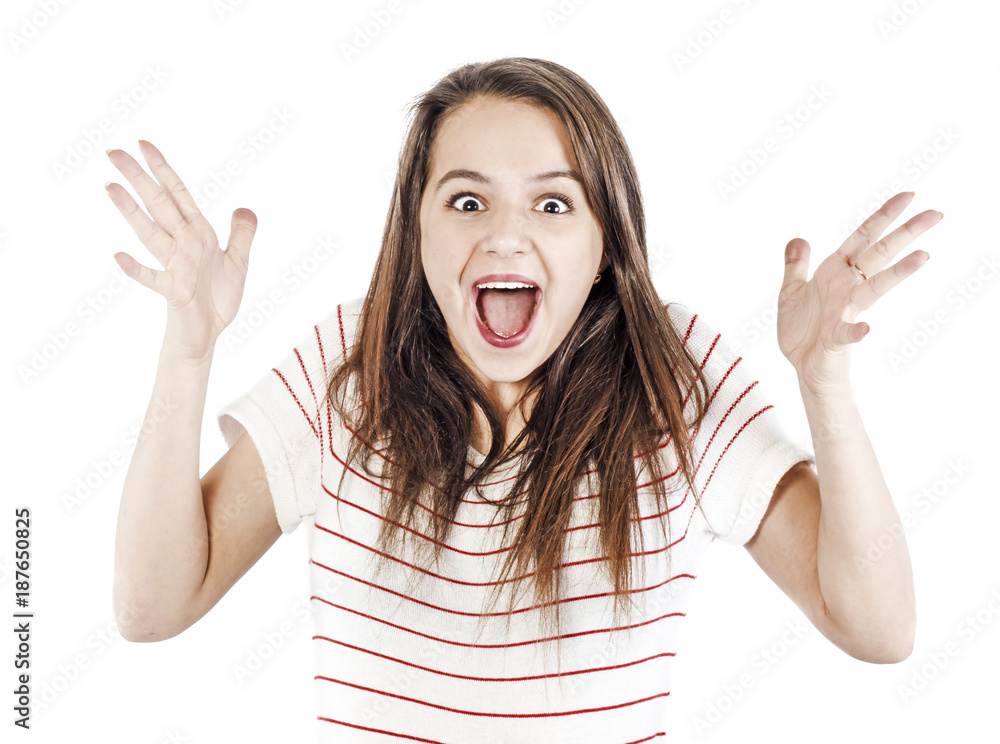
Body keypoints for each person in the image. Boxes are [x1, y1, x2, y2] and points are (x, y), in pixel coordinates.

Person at [109, 57, 937, 742]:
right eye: (467, 201)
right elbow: (153, 605)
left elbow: (878, 628)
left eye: (553, 203)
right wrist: (188, 352)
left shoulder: (670, 377)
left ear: (605, 241)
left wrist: (825, 389)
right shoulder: (349, 367)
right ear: (418, 230)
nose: (506, 235)